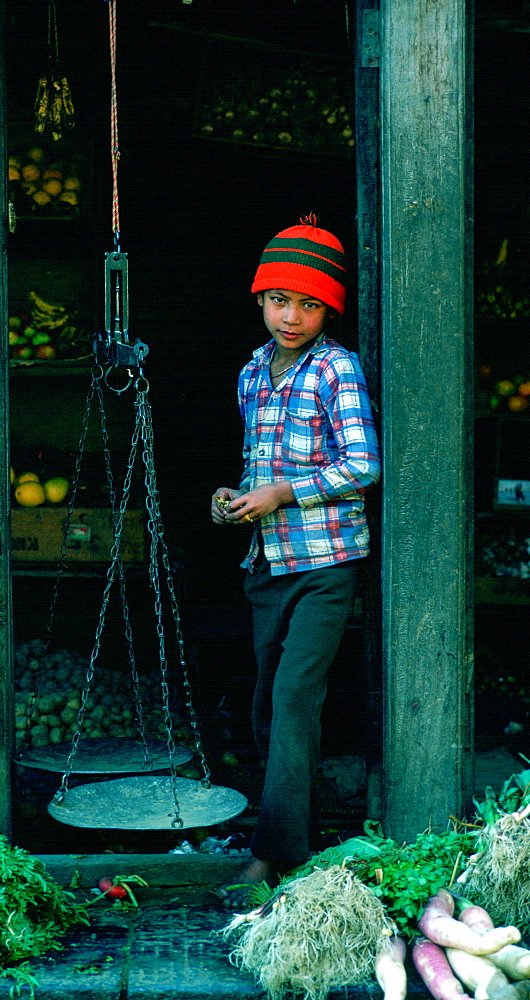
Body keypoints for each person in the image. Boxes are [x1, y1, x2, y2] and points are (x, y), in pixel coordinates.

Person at [212, 215, 380, 907]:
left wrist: (283, 493)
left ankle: (274, 856)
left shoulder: (336, 367)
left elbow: (362, 464)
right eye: (280, 299)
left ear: (328, 311)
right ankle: (295, 828)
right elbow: (259, 465)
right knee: (264, 707)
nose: (292, 315)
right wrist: (235, 498)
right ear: (259, 298)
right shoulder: (253, 371)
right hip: (267, 565)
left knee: (291, 698)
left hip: (326, 564)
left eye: (310, 304)